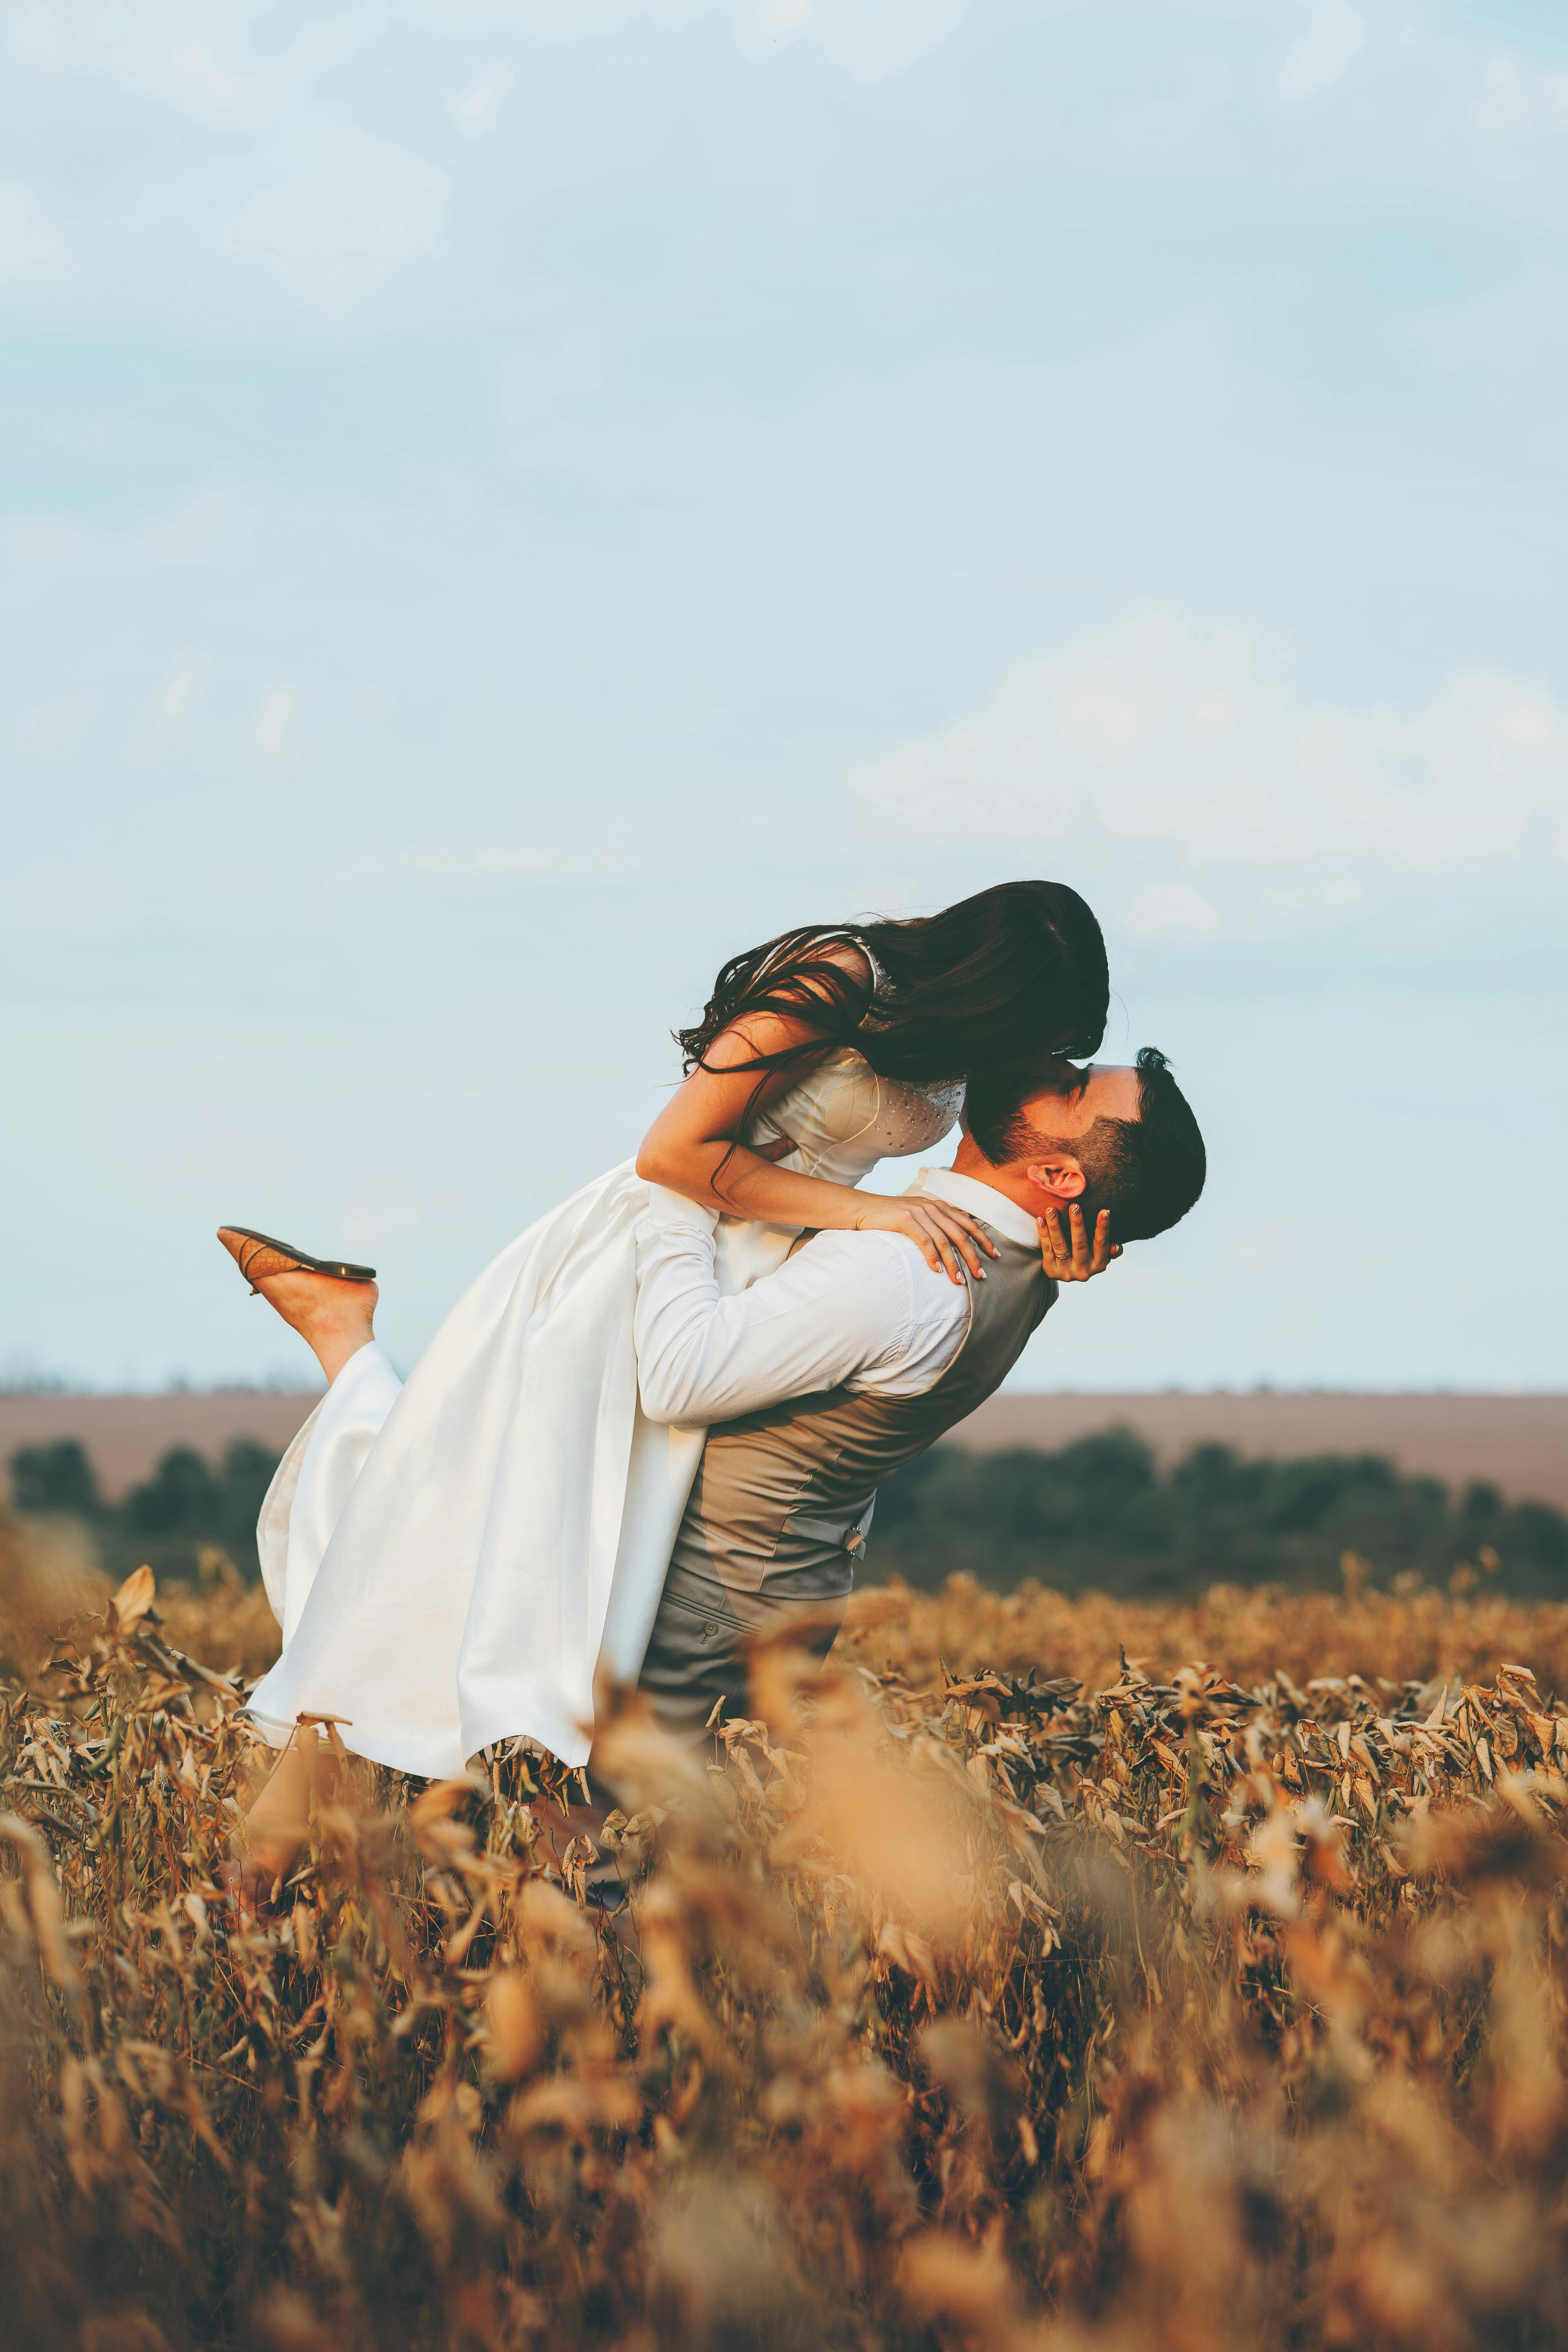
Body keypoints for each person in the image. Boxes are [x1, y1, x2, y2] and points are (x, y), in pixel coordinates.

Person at [221, 884, 1115, 1827]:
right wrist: (871, 1212)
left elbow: (1015, 1166)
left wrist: (1047, 1241)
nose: (1029, 1060)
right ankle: (362, 1740)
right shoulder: (834, 981)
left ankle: (475, 1771)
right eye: (1027, 1031)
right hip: (656, 1252)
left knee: (565, 1534)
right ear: (985, 986)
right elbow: (670, 1156)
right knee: (492, 1518)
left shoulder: (957, 1041)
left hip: (778, 1266)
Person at [236, 1044, 1204, 1902]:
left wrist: (678, 1194)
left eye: (1072, 1088)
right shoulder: (1012, 1255)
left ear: (1054, 1175)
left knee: (577, 1853)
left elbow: (679, 1375)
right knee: (440, 1605)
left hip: (693, 1595)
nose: (1046, 1064)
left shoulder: (913, 1270)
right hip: (762, 1588)